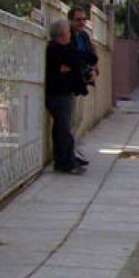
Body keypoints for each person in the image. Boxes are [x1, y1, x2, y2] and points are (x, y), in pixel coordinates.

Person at [45, 19, 86, 175]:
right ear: (62, 34)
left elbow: (75, 63)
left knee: (62, 128)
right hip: (58, 94)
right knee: (64, 129)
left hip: (64, 93)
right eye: (68, 32)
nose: (70, 35)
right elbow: (65, 67)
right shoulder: (54, 50)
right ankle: (66, 162)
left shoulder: (65, 49)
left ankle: (63, 160)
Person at [67, 6, 97, 166]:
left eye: (84, 19)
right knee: (72, 119)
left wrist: (93, 70)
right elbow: (73, 56)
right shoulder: (68, 36)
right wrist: (86, 58)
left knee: (79, 119)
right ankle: (70, 153)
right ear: (71, 20)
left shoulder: (84, 36)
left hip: (84, 80)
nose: (82, 23)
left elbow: (93, 56)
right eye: (78, 20)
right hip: (72, 82)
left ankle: (75, 149)